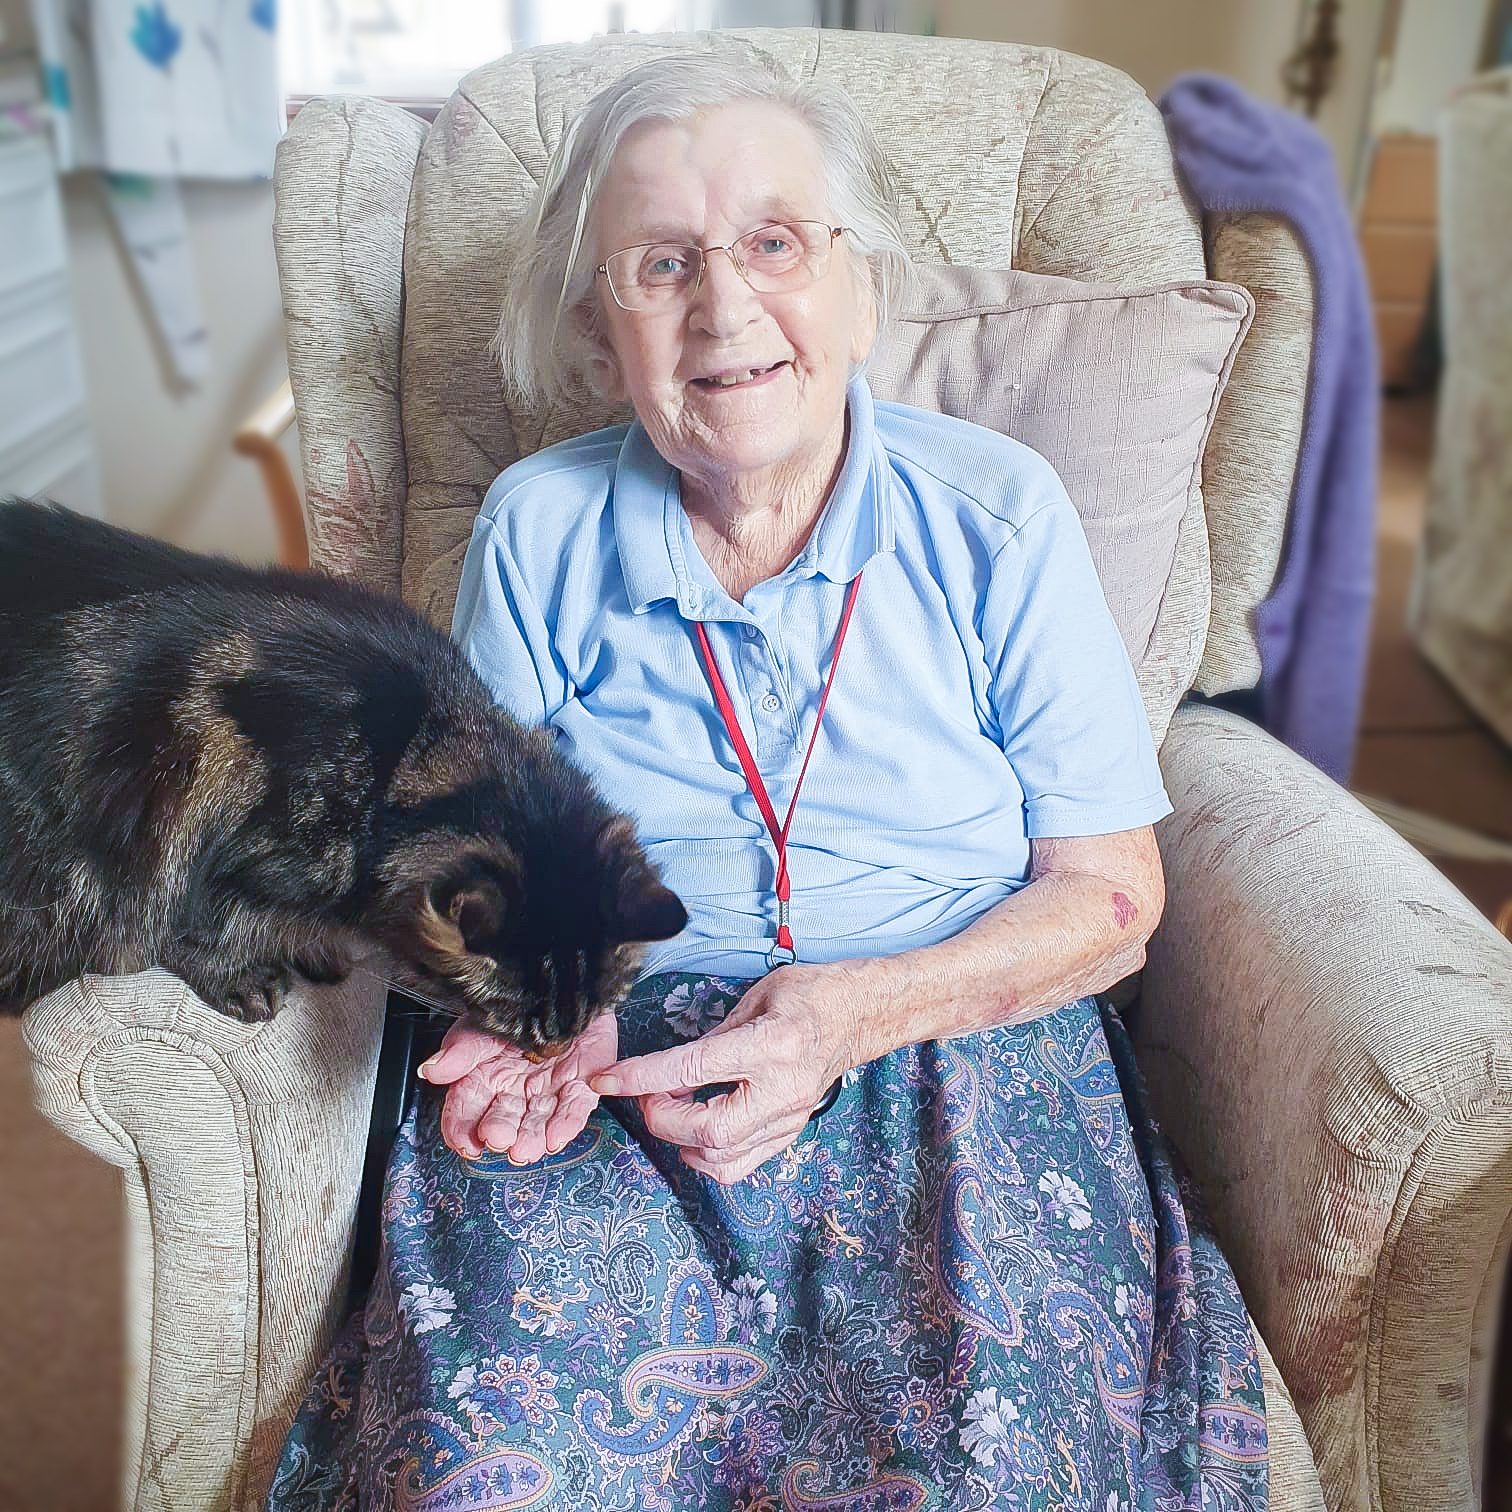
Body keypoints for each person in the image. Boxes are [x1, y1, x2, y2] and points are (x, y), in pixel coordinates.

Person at [270, 51, 1268, 1511]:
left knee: (984, 1471)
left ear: (861, 294)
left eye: (776, 245)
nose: (724, 308)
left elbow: (1111, 898)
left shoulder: (997, 514)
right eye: (660, 263)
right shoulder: (539, 531)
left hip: (951, 1031)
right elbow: (472, 869)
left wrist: (854, 1012)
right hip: (625, 1050)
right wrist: (528, 1016)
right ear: (602, 340)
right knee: (496, 1479)